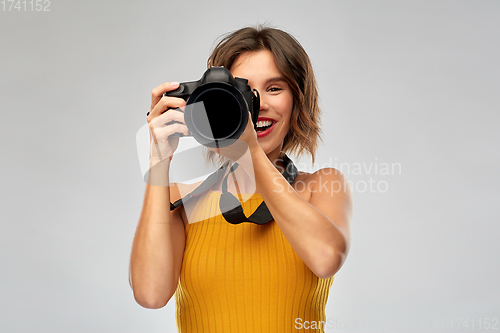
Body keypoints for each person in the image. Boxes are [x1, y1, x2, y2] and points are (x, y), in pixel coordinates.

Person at [129, 25, 353, 333]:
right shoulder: (182, 199)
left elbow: (327, 258)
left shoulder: (322, 185)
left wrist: (249, 150)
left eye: (275, 88)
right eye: (245, 92)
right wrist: (157, 161)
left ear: (298, 100)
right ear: (215, 102)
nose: (258, 105)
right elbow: (150, 294)